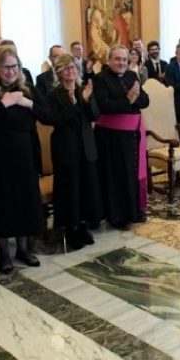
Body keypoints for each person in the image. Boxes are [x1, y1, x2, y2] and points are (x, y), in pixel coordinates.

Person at [0, 46, 51, 273]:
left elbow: (48, 116)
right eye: (6, 67)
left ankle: (23, 250)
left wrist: (29, 104)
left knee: (24, 203)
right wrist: (3, 104)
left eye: (15, 66)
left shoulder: (27, 88)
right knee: (1, 205)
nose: (11, 71)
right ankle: (4, 255)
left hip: (24, 157)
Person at [47, 54, 102, 250]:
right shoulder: (54, 94)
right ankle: (70, 230)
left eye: (73, 67)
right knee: (70, 190)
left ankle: (83, 226)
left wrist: (86, 100)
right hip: (66, 149)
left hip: (86, 147)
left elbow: (95, 115)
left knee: (87, 188)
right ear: (59, 72)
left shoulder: (83, 90)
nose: (71, 71)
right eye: (66, 68)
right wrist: (72, 105)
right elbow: (54, 120)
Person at [94, 45, 150, 229]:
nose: (121, 63)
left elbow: (145, 100)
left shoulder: (132, 76)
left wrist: (134, 99)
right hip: (111, 138)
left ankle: (135, 211)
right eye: (117, 59)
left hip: (132, 135)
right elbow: (104, 106)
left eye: (124, 59)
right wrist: (128, 100)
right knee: (116, 177)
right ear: (109, 60)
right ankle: (118, 217)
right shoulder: (100, 79)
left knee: (133, 174)